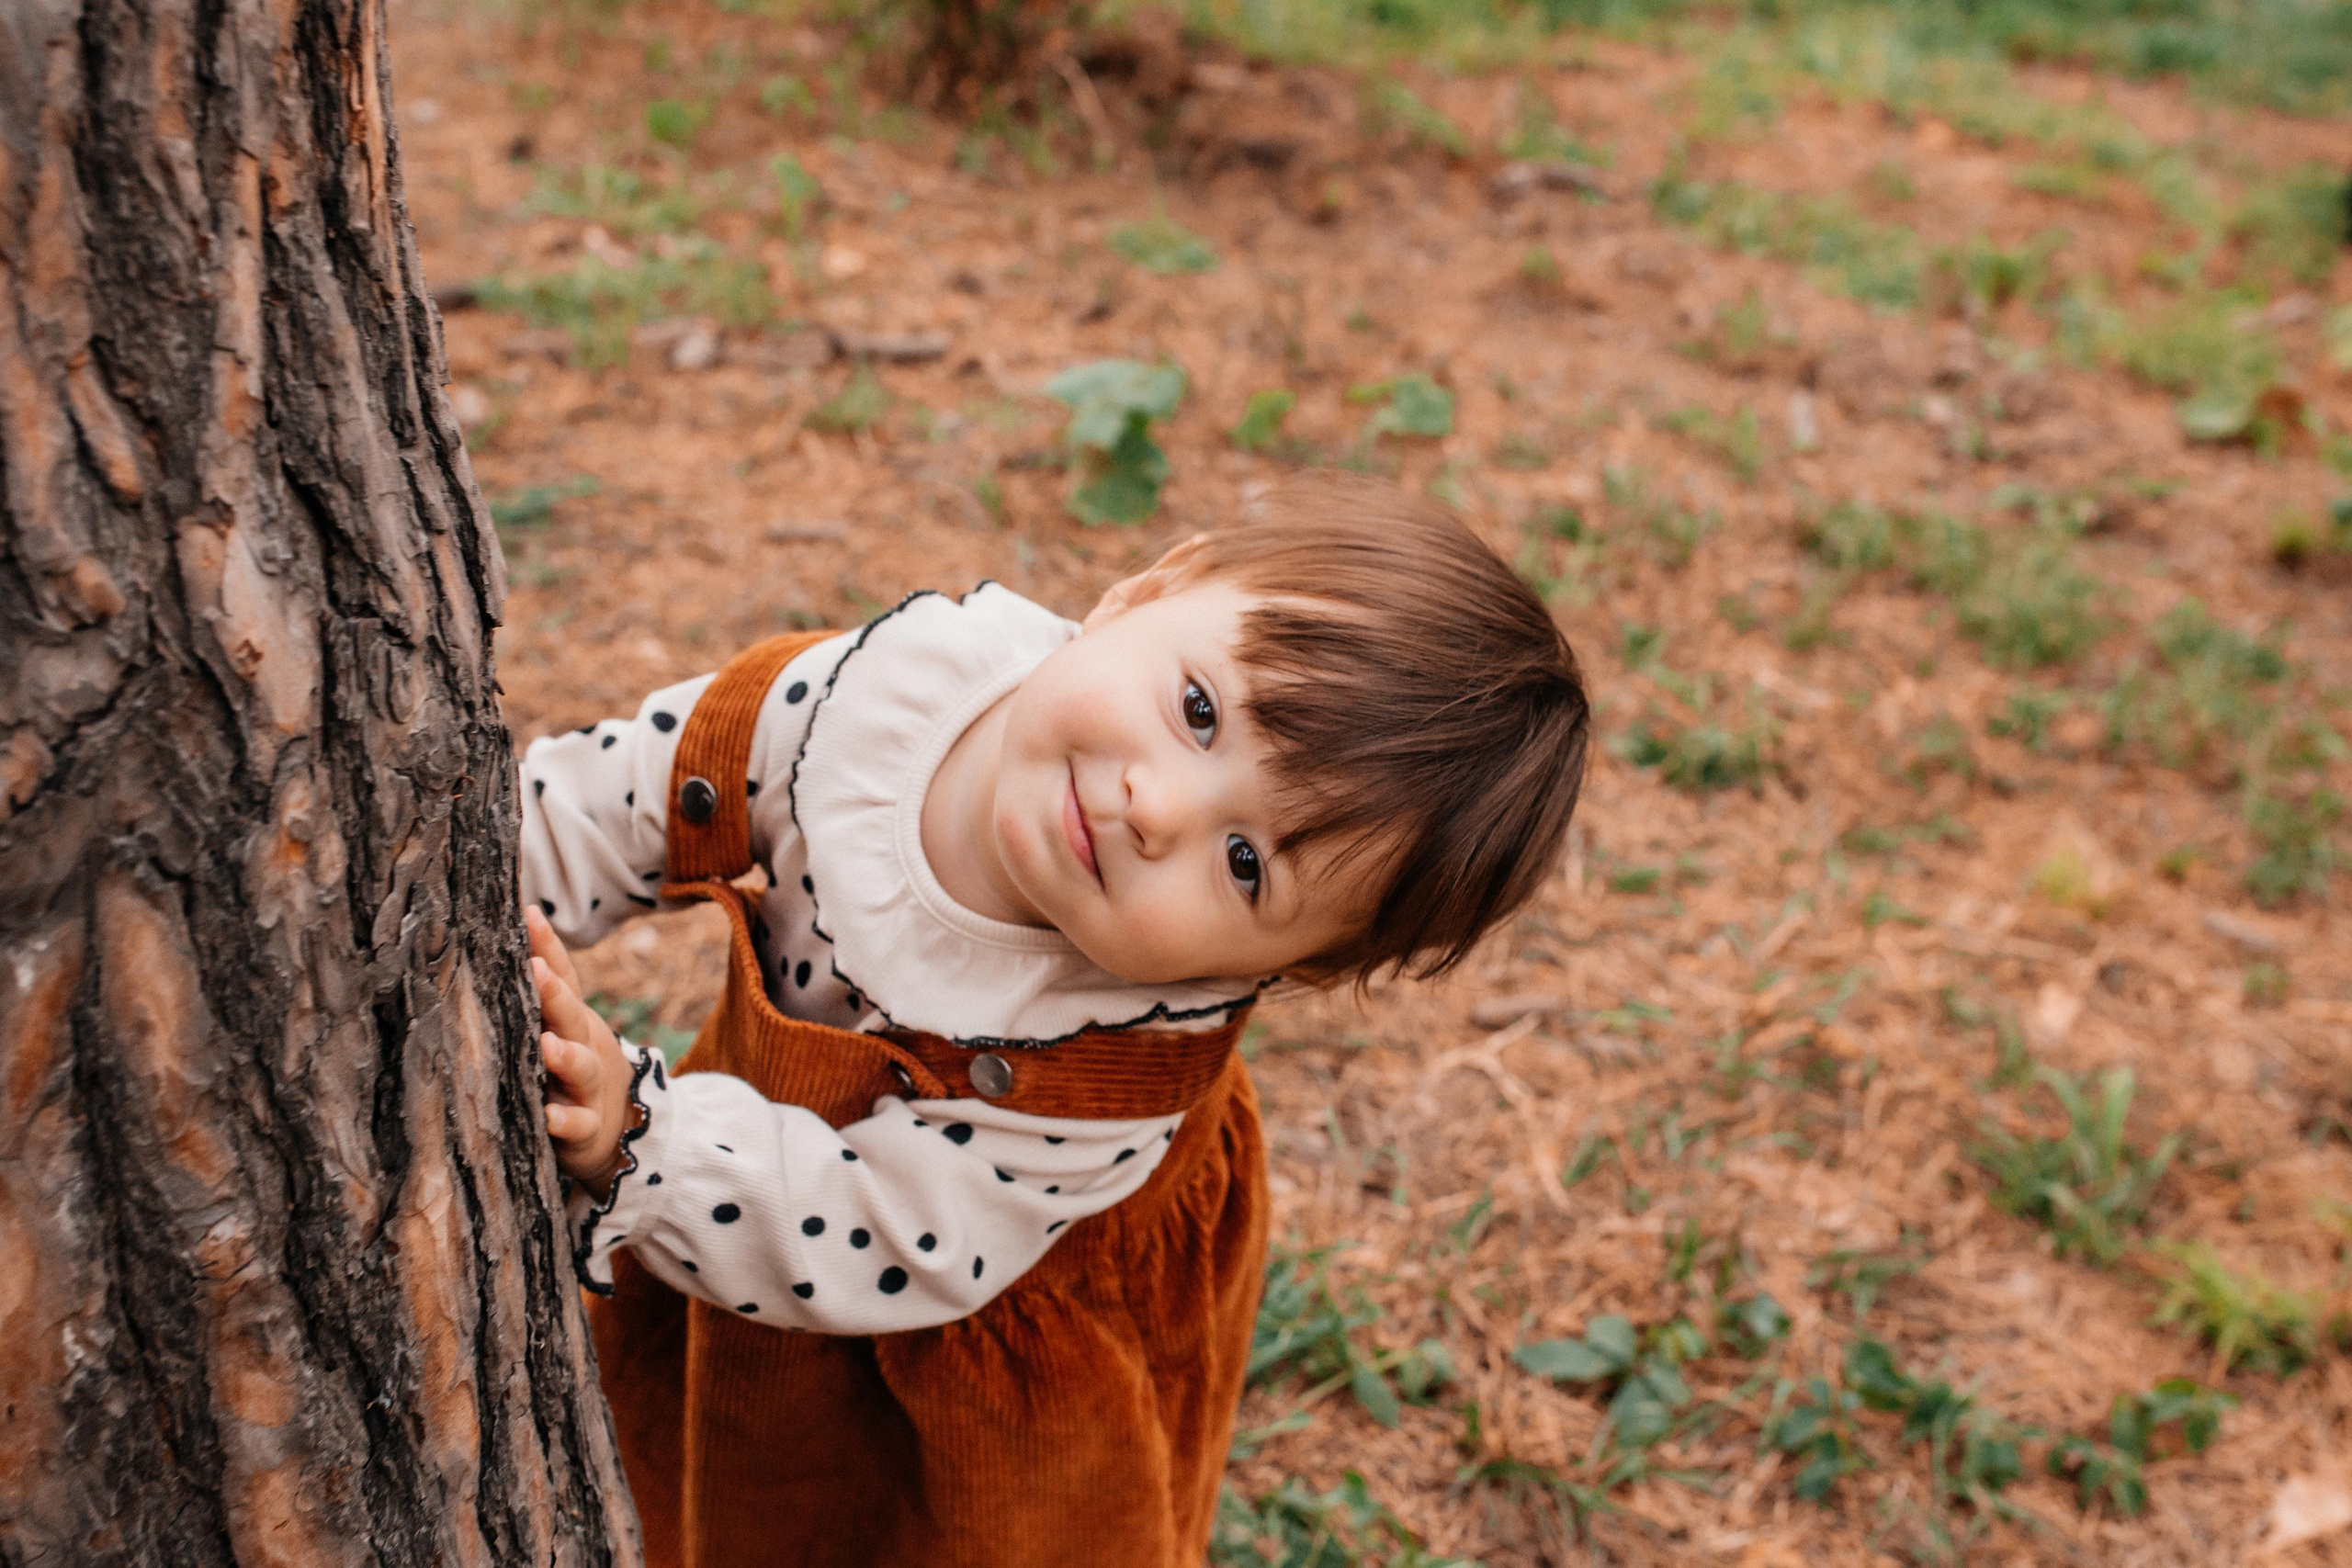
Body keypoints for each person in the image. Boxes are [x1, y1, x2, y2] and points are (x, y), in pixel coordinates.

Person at [519, 472, 1590, 1568]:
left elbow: (881, 1229)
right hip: (741, 1183)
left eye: (1243, 863)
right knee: (703, 1481)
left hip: (974, 1314)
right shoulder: (874, 700)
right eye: (1200, 712)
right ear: (1148, 589)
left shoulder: (1103, 1068)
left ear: (1279, 971)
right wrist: (502, 882)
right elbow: (641, 789)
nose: (1156, 808)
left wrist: (643, 1140)